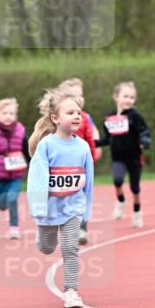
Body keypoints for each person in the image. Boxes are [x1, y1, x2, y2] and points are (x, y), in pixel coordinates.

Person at [27, 88, 94, 308]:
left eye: (79, 112)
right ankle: (42, 237)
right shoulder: (46, 145)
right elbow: (37, 177)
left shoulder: (83, 147)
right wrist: (37, 207)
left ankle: (71, 291)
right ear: (55, 118)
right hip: (48, 209)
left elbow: (89, 182)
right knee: (47, 248)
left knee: (70, 248)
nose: (77, 116)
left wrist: (86, 213)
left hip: (73, 208)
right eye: (70, 112)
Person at [98, 81, 151, 226]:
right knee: (117, 180)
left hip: (134, 157)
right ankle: (120, 201)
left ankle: (137, 212)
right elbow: (108, 138)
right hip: (118, 157)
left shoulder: (135, 116)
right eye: (125, 96)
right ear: (116, 97)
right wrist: (94, 143)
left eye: (132, 97)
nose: (129, 100)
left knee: (135, 188)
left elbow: (144, 131)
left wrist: (145, 141)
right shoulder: (109, 117)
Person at [0, 98, 30, 239]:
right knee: (2, 205)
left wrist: (36, 167)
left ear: (16, 116)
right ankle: (5, 206)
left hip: (16, 174)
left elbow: (28, 152)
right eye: (5, 113)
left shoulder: (21, 131)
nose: (8, 116)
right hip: (0, 174)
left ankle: (14, 227)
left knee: (12, 199)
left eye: (11, 113)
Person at [58, 79, 99, 245]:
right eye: (74, 96)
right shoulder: (56, 119)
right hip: (61, 167)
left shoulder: (85, 117)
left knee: (81, 196)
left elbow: (91, 136)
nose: (79, 99)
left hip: (81, 164)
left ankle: (82, 228)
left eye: (81, 95)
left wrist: (93, 154)